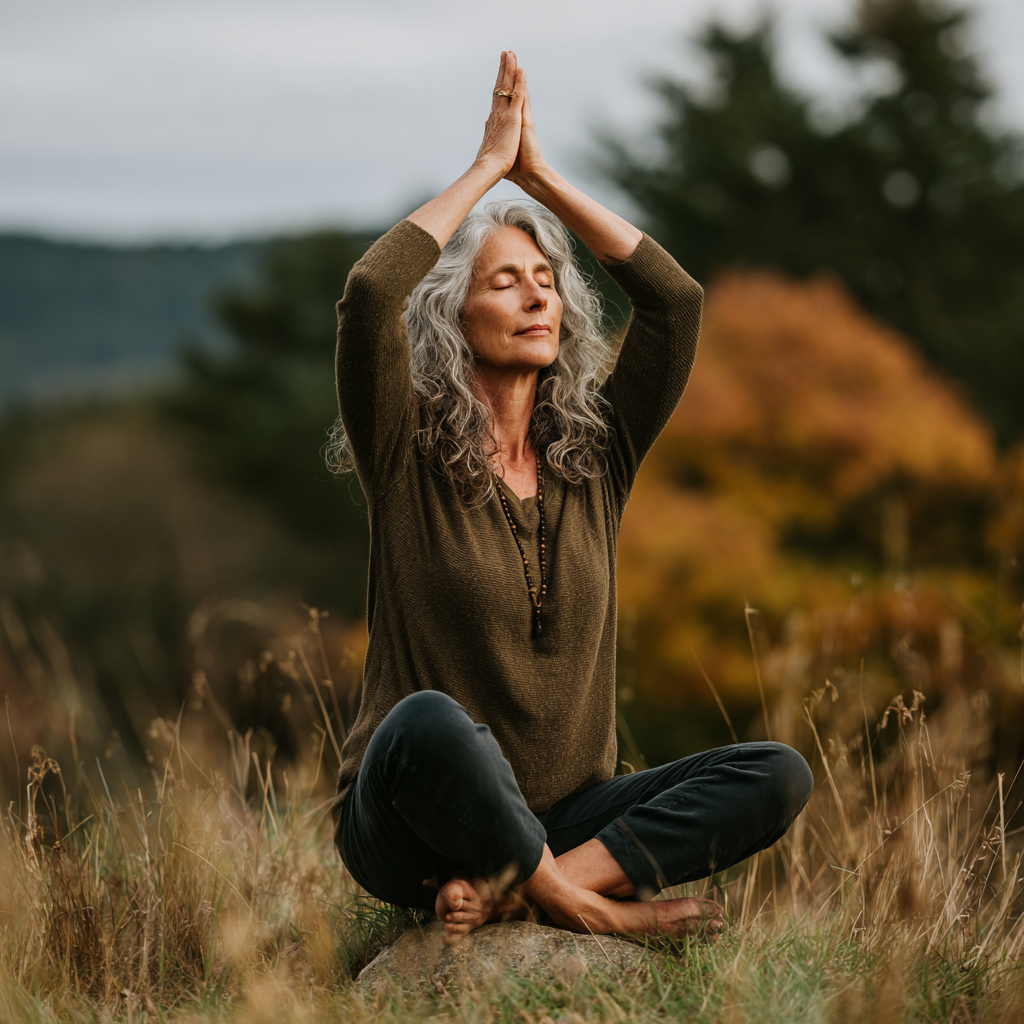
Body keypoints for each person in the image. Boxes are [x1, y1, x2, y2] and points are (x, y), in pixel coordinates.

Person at [328, 51, 813, 943]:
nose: (536, 296)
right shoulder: (404, 455)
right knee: (428, 723)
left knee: (776, 772)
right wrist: (488, 168)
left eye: (546, 280)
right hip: (412, 815)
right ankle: (590, 908)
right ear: (454, 317)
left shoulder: (597, 458)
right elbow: (369, 294)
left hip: (566, 814)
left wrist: (541, 179)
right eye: (505, 281)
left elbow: (674, 302)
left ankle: (520, 891)